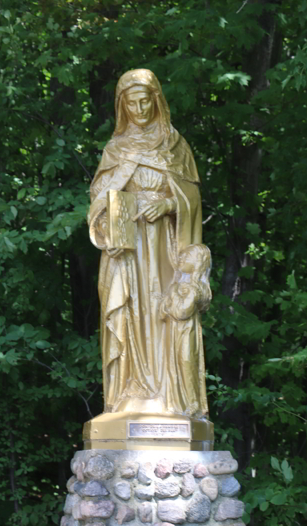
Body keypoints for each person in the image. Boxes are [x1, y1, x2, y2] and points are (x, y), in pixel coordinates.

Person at [88, 68, 210, 419]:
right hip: (127, 248)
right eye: (132, 103)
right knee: (129, 311)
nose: (140, 109)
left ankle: (169, 395)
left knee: (165, 311)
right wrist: (111, 215)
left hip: (165, 247)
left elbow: (192, 198)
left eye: (145, 101)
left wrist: (169, 204)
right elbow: (98, 199)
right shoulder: (116, 148)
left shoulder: (174, 144)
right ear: (122, 106)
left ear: (156, 101)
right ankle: (132, 392)